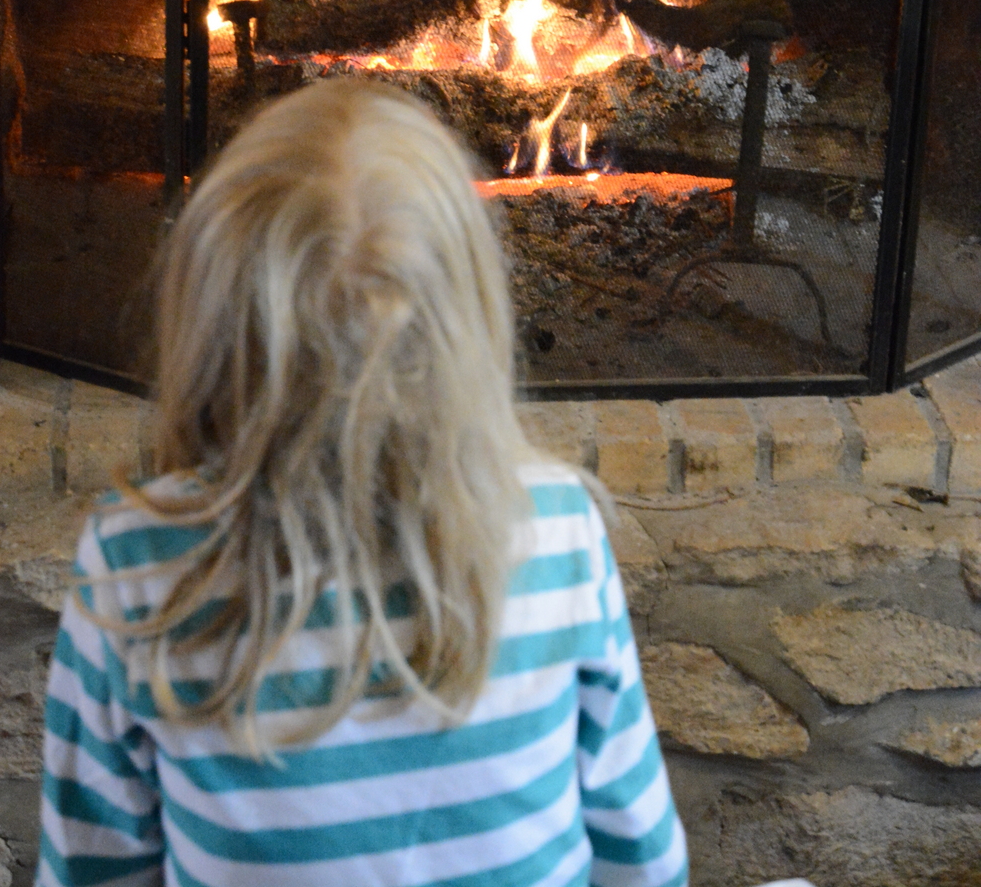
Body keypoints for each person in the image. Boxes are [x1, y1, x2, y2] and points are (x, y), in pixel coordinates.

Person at [36, 78, 689, 887]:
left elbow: (93, 869)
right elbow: (643, 858)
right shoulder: (553, 527)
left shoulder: (138, 563)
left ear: (206, 311)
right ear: (470, 312)